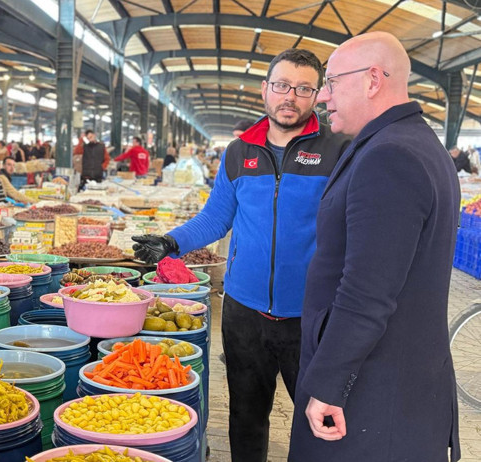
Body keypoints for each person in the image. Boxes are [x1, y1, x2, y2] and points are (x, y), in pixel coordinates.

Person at [131, 49, 351, 462]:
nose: (291, 96)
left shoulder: (339, 149)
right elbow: (216, 217)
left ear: (317, 94)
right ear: (265, 89)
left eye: (304, 88)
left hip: (313, 316)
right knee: (246, 418)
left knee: (318, 423)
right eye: (282, 85)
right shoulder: (238, 152)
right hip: (244, 312)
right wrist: (172, 242)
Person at [288, 32, 461, 462]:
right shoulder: (408, 143)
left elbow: (367, 290)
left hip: (371, 395)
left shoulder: (390, 157)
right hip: (392, 382)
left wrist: (327, 385)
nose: (323, 97)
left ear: (371, 80)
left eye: (330, 82)